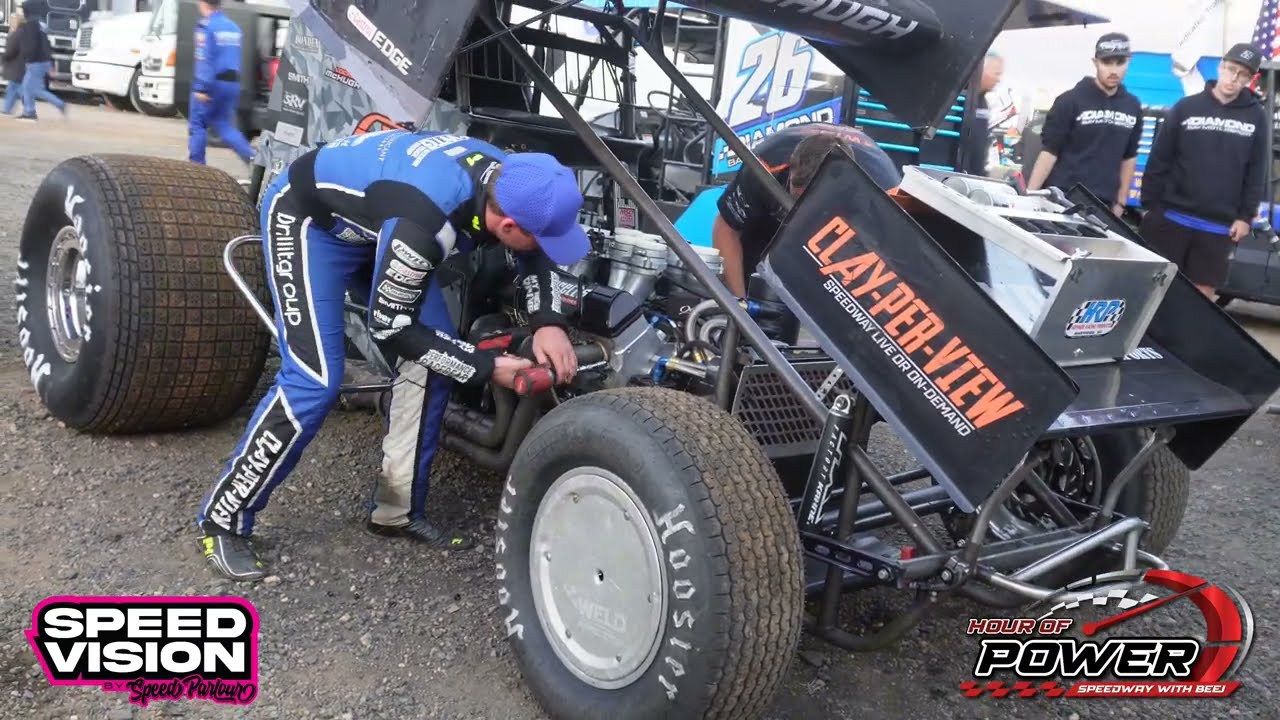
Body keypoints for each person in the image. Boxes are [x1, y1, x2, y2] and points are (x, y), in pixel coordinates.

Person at [196, 129, 589, 581]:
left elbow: (534, 253)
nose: (546, 247)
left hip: (380, 219)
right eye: (540, 238)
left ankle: (395, 510)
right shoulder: (427, 220)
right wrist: (486, 368)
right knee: (314, 380)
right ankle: (222, 518)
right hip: (310, 222)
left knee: (438, 360)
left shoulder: (515, 181)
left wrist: (548, 322)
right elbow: (391, 325)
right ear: (507, 227)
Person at [712, 123, 902, 298]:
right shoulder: (765, 167)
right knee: (752, 289)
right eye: (798, 199)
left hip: (845, 240)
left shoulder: (881, 191)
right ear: (791, 172)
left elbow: (889, 271)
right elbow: (727, 229)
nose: (805, 211)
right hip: (767, 228)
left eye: (815, 202)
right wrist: (738, 305)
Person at [1139, 43, 1268, 298]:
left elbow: (1257, 170)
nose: (1233, 78)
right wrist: (1150, 205)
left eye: (1242, 74)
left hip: (1218, 225)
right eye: (1230, 69)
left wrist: (1245, 216)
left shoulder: (1256, 117)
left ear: (1250, 79)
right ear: (1220, 67)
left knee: (1201, 296)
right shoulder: (1186, 107)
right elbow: (1160, 158)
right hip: (1171, 216)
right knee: (1153, 288)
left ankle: (1185, 339)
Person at [1026, 32, 1143, 216]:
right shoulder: (1069, 101)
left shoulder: (1133, 106)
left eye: (1120, 62)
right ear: (1095, 62)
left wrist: (1121, 203)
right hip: (1062, 199)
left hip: (1103, 204)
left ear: (1129, 62)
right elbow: (1050, 151)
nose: (1114, 70)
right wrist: (1030, 197)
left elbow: (1129, 157)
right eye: (1107, 62)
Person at [188, 0, 254, 165]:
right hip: (232, 83)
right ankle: (251, 157)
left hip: (212, 83)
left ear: (203, 3)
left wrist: (201, 87)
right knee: (223, 124)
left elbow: (205, 58)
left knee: (198, 125)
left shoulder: (206, 27)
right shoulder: (233, 27)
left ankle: (197, 167)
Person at [7, 1, 67, 122]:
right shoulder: (41, 24)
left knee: (30, 88)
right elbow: (46, 44)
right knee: (32, 88)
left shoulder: (30, 24)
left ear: (27, 11)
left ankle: (31, 113)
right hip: (43, 61)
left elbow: (30, 45)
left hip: (36, 61)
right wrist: (50, 61)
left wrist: (26, 57)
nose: (22, 12)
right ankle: (34, 110)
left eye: (23, 10)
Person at [962, 52, 1004, 177]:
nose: (998, 79)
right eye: (996, 73)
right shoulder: (961, 98)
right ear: (982, 70)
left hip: (972, 175)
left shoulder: (982, 102)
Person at [1, 11, 26, 116]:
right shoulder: (20, 32)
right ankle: (7, 109)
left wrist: (3, 58)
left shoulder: (17, 33)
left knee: (16, 88)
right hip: (18, 65)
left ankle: (29, 109)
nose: (11, 22)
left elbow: (11, 50)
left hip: (16, 64)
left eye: (13, 20)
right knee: (14, 88)